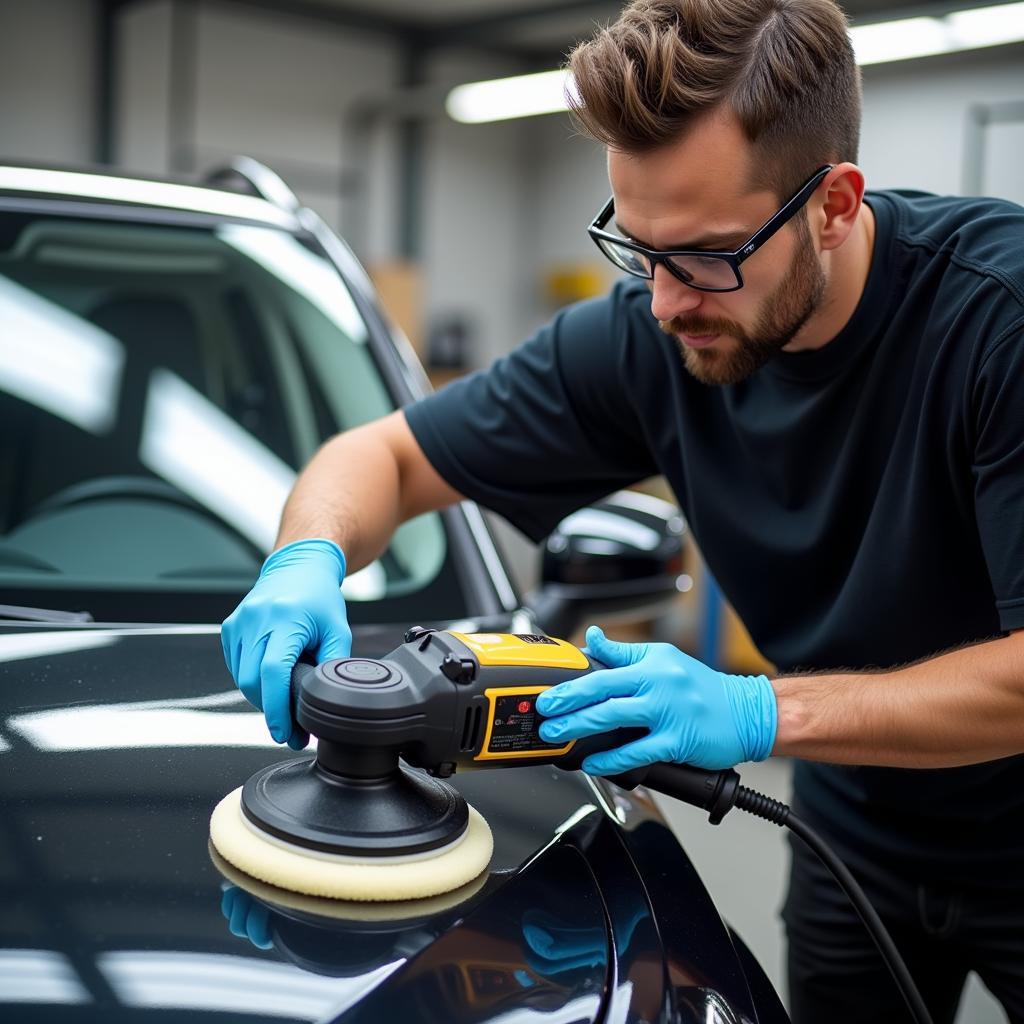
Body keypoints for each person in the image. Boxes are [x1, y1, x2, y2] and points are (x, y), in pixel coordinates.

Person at [221, 0, 1024, 1019]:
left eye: (705, 256)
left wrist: (755, 710)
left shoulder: (997, 322)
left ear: (833, 203)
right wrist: (306, 558)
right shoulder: (657, 332)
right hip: (853, 824)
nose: (664, 301)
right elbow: (380, 456)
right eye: (637, 248)